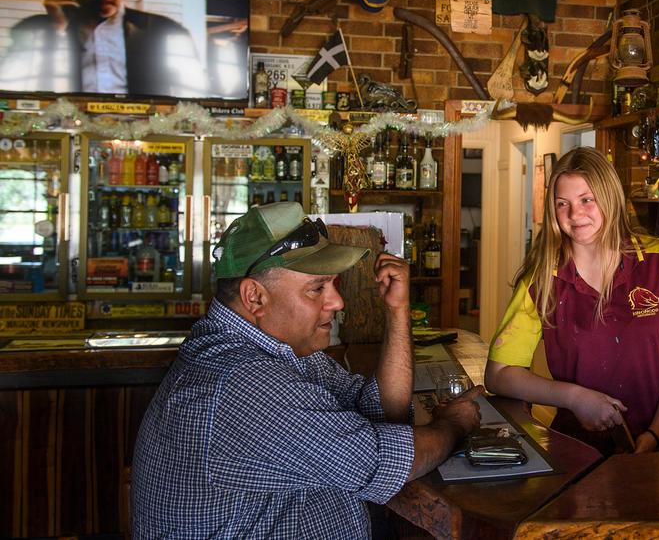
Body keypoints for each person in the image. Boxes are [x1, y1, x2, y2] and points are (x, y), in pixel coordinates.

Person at [131, 202, 482, 537]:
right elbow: (387, 461)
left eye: (334, 285)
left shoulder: (282, 351)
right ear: (254, 297)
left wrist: (396, 310)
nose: (337, 302)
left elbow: (380, 413)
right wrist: (454, 424)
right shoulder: (241, 382)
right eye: (316, 288)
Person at [485, 147, 659, 455]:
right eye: (563, 204)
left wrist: (655, 433)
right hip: (579, 444)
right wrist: (575, 398)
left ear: (610, 197)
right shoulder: (541, 280)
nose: (575, 214)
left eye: (587, 199)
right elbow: (499, 374)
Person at [0, 0, 202, 96]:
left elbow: (194, 92)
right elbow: (11, 86)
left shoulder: (164, 31)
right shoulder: (32, 30)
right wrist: (57, 30)